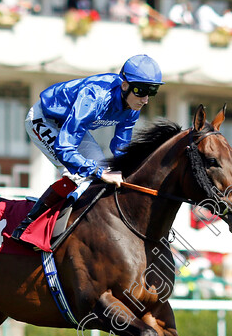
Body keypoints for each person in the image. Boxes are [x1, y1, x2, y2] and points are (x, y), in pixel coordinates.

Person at [10, 54, 164, 241]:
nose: (145, 99)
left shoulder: (133, 107)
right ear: (125, 86)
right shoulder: (94, 96)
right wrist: (98, 171)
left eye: (152, 92)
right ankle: (28, 226)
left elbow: (121, 147)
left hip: (71, 125)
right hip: (44, 119)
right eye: (142, 91)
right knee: (77, 173)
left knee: (104, 174)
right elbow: (64, 148)